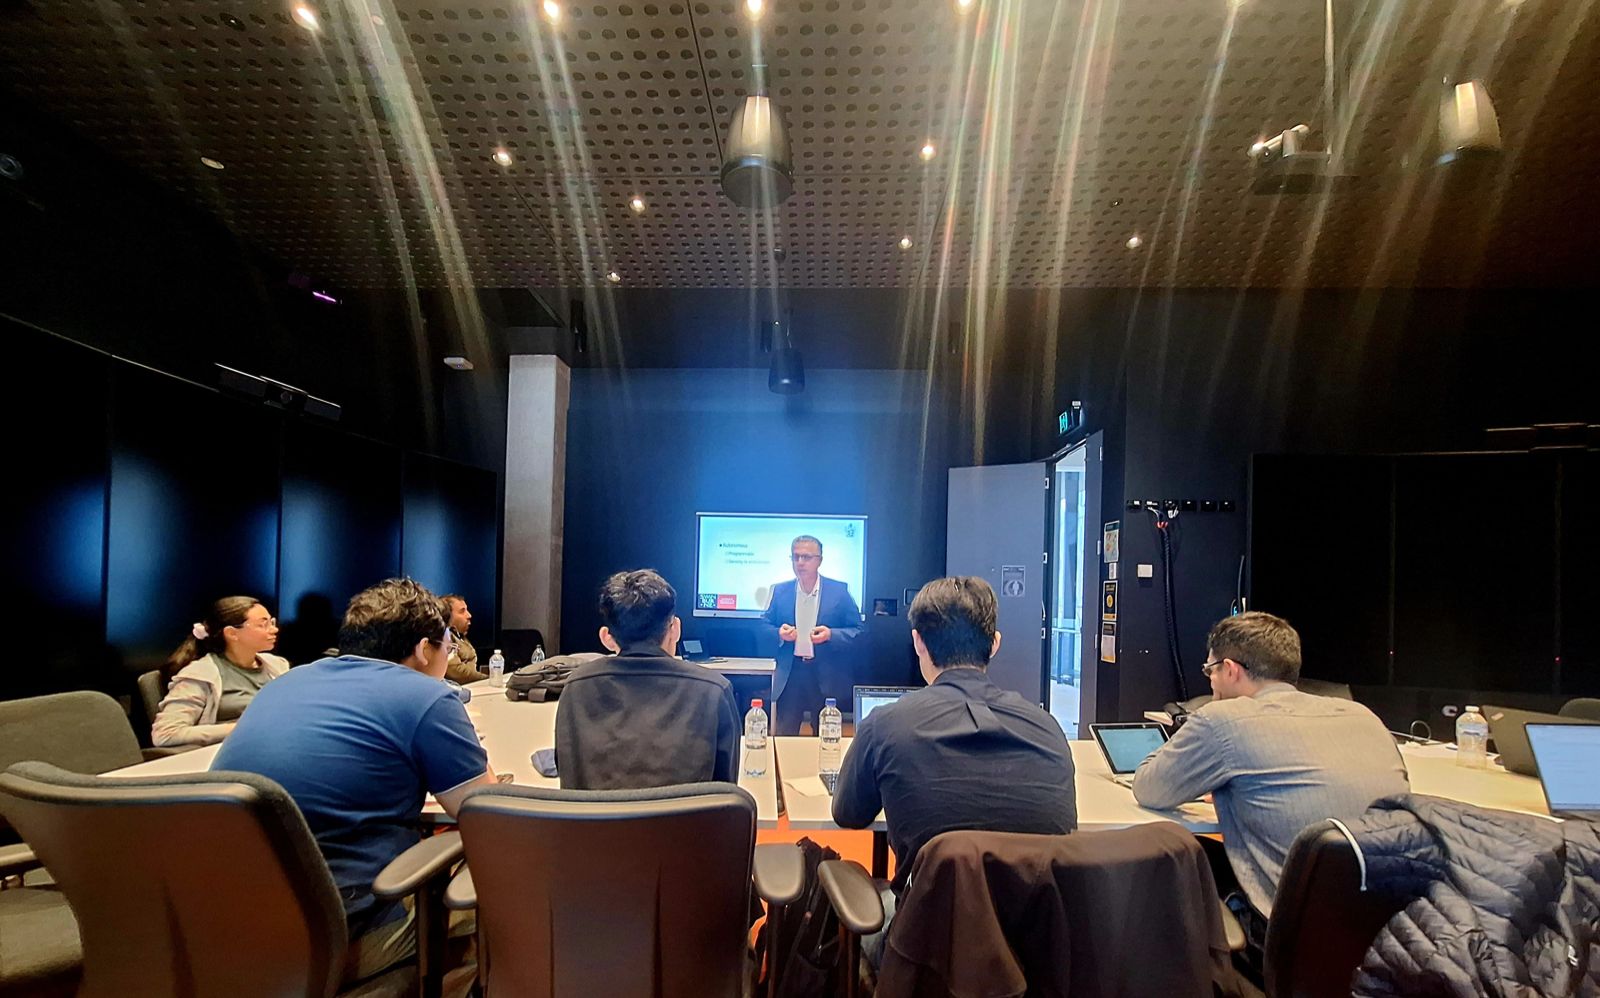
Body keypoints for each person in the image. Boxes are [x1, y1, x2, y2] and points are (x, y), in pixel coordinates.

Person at [212, 578, 497, 984]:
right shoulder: (425, 695)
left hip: (224, 930)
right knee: (501, 897)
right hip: (337, 933)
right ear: (423, 649)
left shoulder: (286, 683)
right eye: (447, 649)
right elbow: (489, 816)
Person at [832, 577, 1078, 961]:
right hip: (1038, 953)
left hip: (927, 949)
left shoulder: (885, 724)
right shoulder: (1047, 728)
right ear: (994, 643)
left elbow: (848, 813)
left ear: (918, 642)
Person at [1131, 611, 1409, 948]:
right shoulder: (1364, 717)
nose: (1210, 682)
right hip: (1385, 934)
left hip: (1285, 936)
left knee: (1179, 858)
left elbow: (1150, 788)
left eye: (1210, 670)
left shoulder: (1222, 719)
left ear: (1230, 669)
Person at [555, 569, 740, 790]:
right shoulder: (714, 691)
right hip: (686, 814)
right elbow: (725, 792)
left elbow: (566, 772)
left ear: (607, 637)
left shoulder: (576, 688)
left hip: (595, 814)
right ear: (675, 628)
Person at [152, 596, 288, 747]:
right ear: (232, 633)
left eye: (272, 622)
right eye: (263, 625)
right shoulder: (200, 674)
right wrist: (243, 728)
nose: (274, 629)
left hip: (277, 743)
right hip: (231, 751)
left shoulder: (277, 666)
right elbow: (165, 734)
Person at [762, 535, 863, 735]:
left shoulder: (839, 591)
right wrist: (779, 633)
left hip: (826, 674)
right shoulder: (780, 591)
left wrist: (831, 635)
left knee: (826, 735)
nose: (800, 562)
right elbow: (764, 625)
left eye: (807, 557)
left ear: (819, 560)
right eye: (796, 557)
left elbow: (859, 631)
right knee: (784, 735)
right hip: (791, 673)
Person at [438, 593, 483, 684]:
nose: (469, 615)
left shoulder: (460, 636)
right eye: (462, 611)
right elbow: (456, 672)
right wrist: (488, 679)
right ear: (447, 615)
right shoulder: (443, 637)